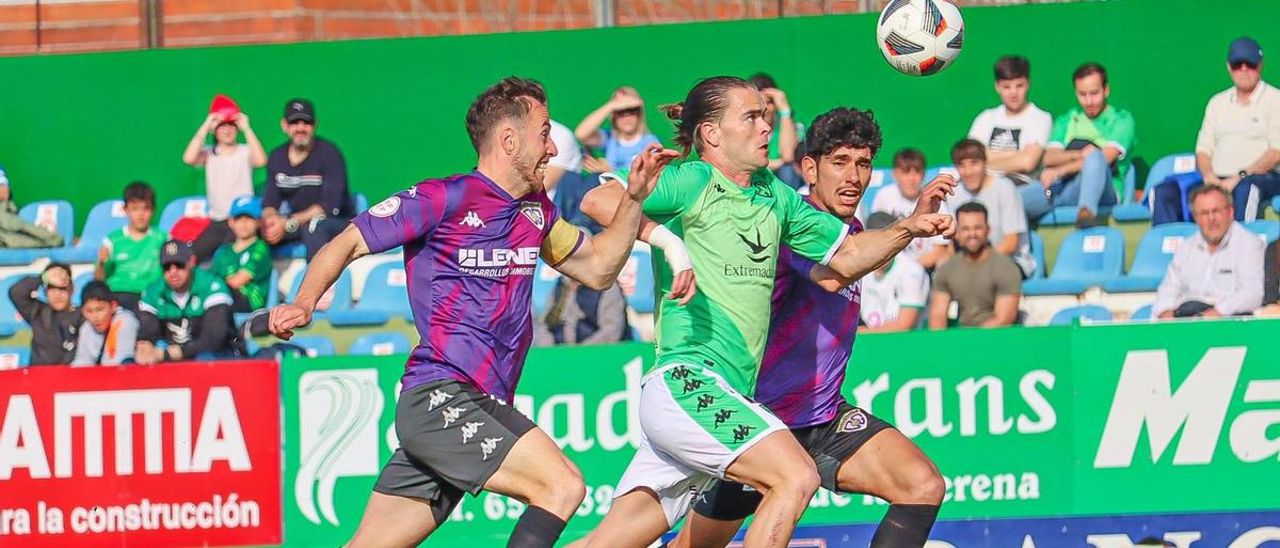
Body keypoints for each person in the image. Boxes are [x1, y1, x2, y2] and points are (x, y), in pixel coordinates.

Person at [267, 76, 680, 547]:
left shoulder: (536, 213)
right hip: (441, 395)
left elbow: (600, 268)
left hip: (474, 403)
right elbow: (348, 240)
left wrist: (633, 198)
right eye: (544, 132)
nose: (551, 148)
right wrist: (303, 302)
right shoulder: (443, 198)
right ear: (509, 139)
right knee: (561, 485)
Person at [574, 77, 953, 548]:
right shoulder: (694, 178)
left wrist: (910, 227)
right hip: (691, 383)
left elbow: (847, 258)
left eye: (766, 116)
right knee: (794, 477)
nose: (765, 126)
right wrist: (669, 242)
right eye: (751, 117)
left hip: (738, 399)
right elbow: (596, 199)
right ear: (712, 134)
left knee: (610, 542)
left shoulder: (773, 193)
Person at [665, 108, 944, 548]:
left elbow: (855, 253)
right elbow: (836, 273)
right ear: (809, 168)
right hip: (761, 425)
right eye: (839, 162)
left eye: (864, 163)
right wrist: (909, 227)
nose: (853, 176)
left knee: (921, 485)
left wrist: (911, 220)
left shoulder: (849, 228)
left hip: (822, 418)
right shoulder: (791, 220)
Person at [1153, 37, 1280, 224]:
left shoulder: (1274, 99)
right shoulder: (1217, 103)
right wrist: (1209, 177)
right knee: (1165, 191)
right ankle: (1171, 251)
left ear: (1260, 66)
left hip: (1259, 177)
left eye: (1250, 64)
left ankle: (1240, 250)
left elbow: (1275, 153)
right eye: (1238, 64)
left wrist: (1239, 177)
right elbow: (1203, 151)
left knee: (1247, 188)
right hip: (1217, 178)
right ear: (1229, 67)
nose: (1244, 69)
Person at [1020, 62, 1136, 228]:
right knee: (1012, 200)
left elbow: (1106, 157)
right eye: (1082, 94)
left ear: (1106, 90)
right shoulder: (1067, 120)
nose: (1089, 101)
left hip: (1105, 192)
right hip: (1061, 189)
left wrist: (1061, 169)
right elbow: (1050, 157)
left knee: (1096, 156)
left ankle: (1086, 213)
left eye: (1094, 93)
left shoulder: (1122, 120)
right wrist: (1080, 154)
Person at [260, 98, 355, 259]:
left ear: (315, 124)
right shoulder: (277, 156)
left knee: (315, 226)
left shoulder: (330, 154)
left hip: (334, 222)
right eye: (294, 122)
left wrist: (288, 222)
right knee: (249, 228)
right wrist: (271, 221)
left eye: (306, 122)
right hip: (295, 223)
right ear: (284, 125)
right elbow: (270, 202)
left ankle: (320, 284)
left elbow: (329, 206)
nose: (300, 128)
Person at [1154, 185, 1264, 319]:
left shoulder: (1249, 244)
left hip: (1226, 322)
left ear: (1230, 212)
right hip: (1187, 321)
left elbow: (1252, 293)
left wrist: (1218, 312)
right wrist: (1165, 311)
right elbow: (1169, 287)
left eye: (1216, 211)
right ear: (1196, 217)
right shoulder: (1186, 247)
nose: (1211, 218)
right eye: (1204, 213)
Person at [181, 95, 269, 259]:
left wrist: (247, 129)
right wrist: (207, 124)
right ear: (214, 130)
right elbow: (188, 158)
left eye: (231, 125)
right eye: (221, 126)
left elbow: (261, 160)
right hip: (217, 222)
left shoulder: (245, 152)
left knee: (230, 259)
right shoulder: (209, 154)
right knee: (190, 257)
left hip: (241, 221)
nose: (227, 130)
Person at [135, 240, 238, 364]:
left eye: (179, 265)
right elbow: (147, 332)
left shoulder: (212, 286)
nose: (173, 272)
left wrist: (171, 353)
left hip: (217, 356)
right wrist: (144, 346)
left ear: (192, 262)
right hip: (173, 356)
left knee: (205, 358)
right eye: (167, 267)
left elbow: (214, 339)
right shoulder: (153, 292)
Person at [948, 138, 1035, 276]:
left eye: (974, 163)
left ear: (985, 163)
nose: (968, 171)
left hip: (1010, 260)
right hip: (967, 263)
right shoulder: (953, 193)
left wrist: (977, 264)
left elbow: (1011, 243)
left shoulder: (1005, 188)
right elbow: (951, 244)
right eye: (962, 165)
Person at [929, 202, 1022, 329]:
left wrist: (972, 341)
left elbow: (1004, 319)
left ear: (988, 230)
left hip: (997, 339)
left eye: (977, 228)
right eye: (965, 229)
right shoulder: (946, 269)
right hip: (961, 337)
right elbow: (937, 316)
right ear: (957, 233)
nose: (972, 234)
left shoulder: (1006, 268)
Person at [968, 55, 1053, 185]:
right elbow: (969, 158)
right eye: (1007, 87)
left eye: (1019, 86)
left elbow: (1028, 163)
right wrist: (1016, 154)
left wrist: (985, 159)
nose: (1014, 93)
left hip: (1022, 185)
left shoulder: (1041, 118)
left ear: (1028, 84)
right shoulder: (985, 118)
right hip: (983, 184)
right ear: (997, 87)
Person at [870, 148, 951, 269]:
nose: (912, 179)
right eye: (906, 172)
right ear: (895, 174)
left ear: (924, 174)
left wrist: (909, 271)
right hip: (887, 268)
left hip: (923, 269)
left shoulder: (935, 201)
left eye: (917, 172)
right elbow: (875, 238)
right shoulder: (884, 196)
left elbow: (939, 250)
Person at [96, 181, 166, 310]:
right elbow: (99, 280)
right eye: (134, 209)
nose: (140, 214)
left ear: (153, 210)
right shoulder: (113, 240)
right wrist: (100, 262)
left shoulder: (163, 239)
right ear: (125, 210)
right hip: (118, 295)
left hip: (149, 296)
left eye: (146, 208)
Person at [859, 212, 930, 333]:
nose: (881, 248)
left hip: (906, 344)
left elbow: (905, 325)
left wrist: (860, 333)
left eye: (886, 240)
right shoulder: (859, 269)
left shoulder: (912, 271)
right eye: (875, 240)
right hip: (870, 341)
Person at [210, 195, 274, 312]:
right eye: (238, 218)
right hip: (225, 298)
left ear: (259, 222)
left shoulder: (260, 248)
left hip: (249, 303)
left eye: (249, 217)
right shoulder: (223, 251)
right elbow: (211, 279)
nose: (244, 222)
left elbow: (237, 281)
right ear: (230, 221)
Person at [575, 86, 662, 172]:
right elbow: (581, 134)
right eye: (620, 112)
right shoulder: (610, 138)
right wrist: (611, 105)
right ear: (613, 115)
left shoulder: (650, 142)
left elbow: (648, 176)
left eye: (631, 110)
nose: (626, 117)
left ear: (639, 113)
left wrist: (611, 172)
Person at [8, 263, 79, 365]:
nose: (57, 294)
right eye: (52, 288)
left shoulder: (83, 316)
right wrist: (43, 278)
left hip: (72, 377)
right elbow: (16, 292)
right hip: (39, 377)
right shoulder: (37, 312)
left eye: (62, 288)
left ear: (72, 288)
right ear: (45, 292)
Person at [533, 277, 630, 346]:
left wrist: (579, 353)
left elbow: (612, 331)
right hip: (560, 359)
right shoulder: (560, 286)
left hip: (597, 357)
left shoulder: (606, 287)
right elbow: (544, 326)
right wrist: (550, 351)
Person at [747, 73, 802, 184]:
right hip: (753, 182)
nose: (765, 108)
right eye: (760, 103)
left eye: (769, 102)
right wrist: (777, 163)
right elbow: (743, 161)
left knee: (788, 169)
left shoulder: (790, 125)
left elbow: (788, 156)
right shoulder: (743, 126)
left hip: (784, 184)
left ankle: (788, 201)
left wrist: (785, 111)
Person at [71, 281, 139, 366]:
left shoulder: (125, 322)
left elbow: (119, 361)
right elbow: (82, 361)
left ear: (113, 306)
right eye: (89, 311)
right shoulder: (86, 328)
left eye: (100, 310)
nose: (95, 317)